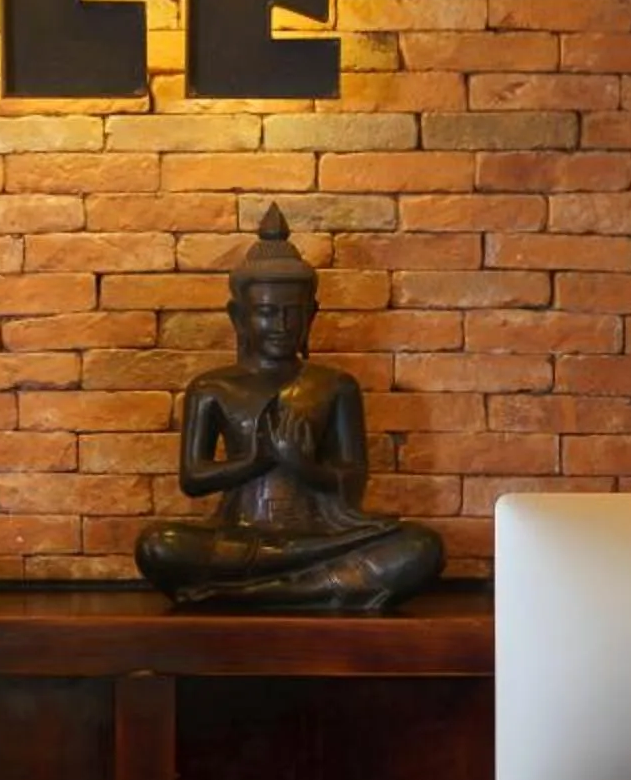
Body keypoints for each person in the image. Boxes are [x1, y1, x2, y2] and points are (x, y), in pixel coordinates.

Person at [133, 204, 443, 612]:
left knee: (422, 546)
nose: (280, 325)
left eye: (292, 313)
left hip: (321, 535)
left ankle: (251, 594)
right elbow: (194, 479)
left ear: (311, 315)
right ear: (238, 317)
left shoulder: (334, 386)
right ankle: (318, 588)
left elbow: (352, 480)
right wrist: (258, 459)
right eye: (265, 312)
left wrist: (302, 466)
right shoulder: (212, 388)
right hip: (243, 537)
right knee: (158, 545)